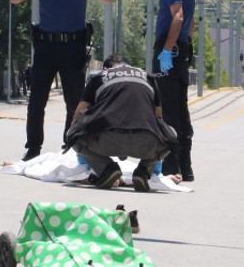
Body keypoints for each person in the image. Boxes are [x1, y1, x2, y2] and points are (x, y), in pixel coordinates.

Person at [9, 0, 113, 161]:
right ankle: (33, 148)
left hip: (73, 48)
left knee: (74, 102)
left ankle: (70, 146)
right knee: (37, 100)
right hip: (46, 47)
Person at [64, 54, 177, 192]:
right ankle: (143, 171)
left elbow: (77, 116)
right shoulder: (149, 78)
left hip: (107, 141)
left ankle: (107, 169)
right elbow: (159, 119)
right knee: (171, 133)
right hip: (144, 143)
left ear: (105, 68)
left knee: (74, 132)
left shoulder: (99, 78)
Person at [142, 0, 196, 181]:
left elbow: (180, 17)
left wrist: (167, 50)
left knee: (167, 110)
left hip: (170, 50)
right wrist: (183, 46)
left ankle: (172, 167)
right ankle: (185, 167)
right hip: (180, 49)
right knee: (180, 109)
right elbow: (192, 21)